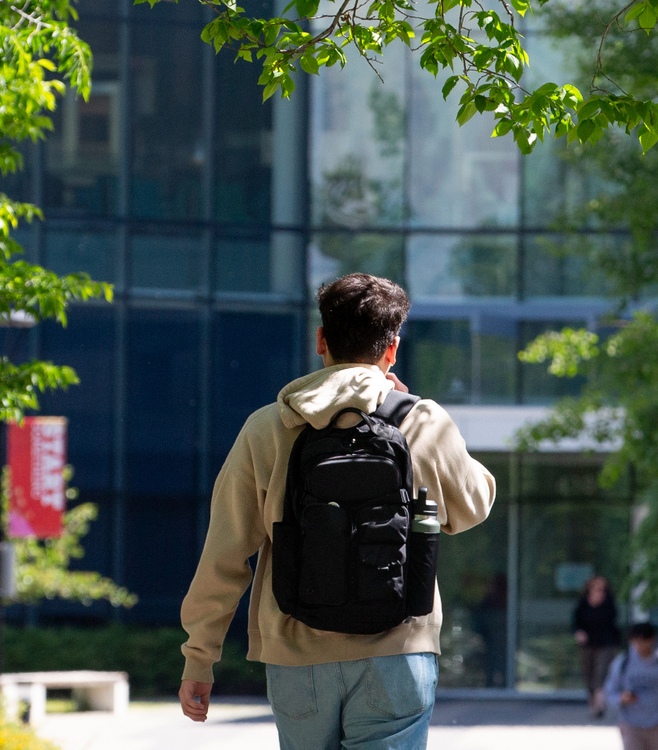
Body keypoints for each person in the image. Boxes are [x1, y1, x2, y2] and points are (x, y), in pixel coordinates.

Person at [178, 273, 496, 750]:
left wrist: (199, 659)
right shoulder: (421, 419)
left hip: (296, 656)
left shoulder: (267, 428)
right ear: (392, 349)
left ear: (321, 340)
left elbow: (224, 553)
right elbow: (473, 505)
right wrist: (426, 420)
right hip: (398, 651)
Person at [603, 621, 658, 750]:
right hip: (630, 723)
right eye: (635, 642)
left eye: (643, 641)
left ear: (652, 640)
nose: (640, 646)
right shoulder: (623, 663)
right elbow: (609, 690)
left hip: (657, 723)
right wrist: (620, 698)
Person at [572, 574, 621, 717]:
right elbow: (576, 621)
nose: (600, 589)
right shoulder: (583, 602)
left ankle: (599, 706)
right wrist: (579, 633)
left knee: (601, 674)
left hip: (606, 643)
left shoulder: (609, 602)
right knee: (589, 675)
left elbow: (612, 618)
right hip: (587, 644)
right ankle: (593, 703)